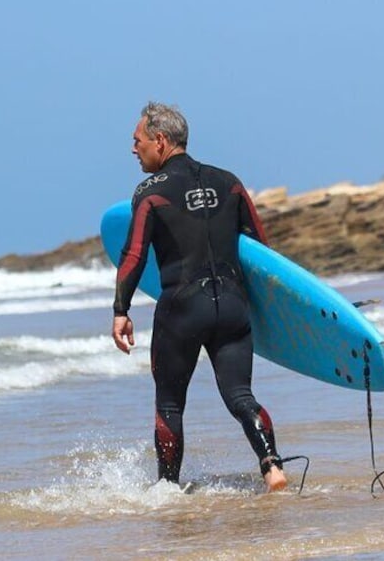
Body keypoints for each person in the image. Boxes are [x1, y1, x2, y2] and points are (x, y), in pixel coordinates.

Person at [112, 102, 287, 492]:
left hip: (182, 310)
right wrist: (271, 309)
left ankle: (168, 490)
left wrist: (120, 310)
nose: (133, 149)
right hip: (232, 307)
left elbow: (135, 254)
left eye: (137, 140)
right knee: (241, 395)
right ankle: (272, 466)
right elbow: (261, 250)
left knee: (170, 405)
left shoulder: (150, 192)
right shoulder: (230, 182)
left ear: (160, 140)